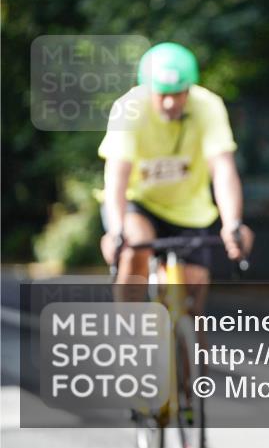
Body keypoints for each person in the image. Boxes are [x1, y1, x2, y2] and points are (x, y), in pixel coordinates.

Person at [98, 42, 254, 308]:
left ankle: (187, 342)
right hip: (141, 204)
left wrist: (233, 223)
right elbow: (117, 177)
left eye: (178, 93)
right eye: (162, 94)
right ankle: (128, 329)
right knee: (135, 246)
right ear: (148, 89)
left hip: (189, 210)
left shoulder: (207, 106)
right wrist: (116, 231)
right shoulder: (130, 108)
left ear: (189, 89)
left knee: (192, 307)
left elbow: (223, 169)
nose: (170, 102)